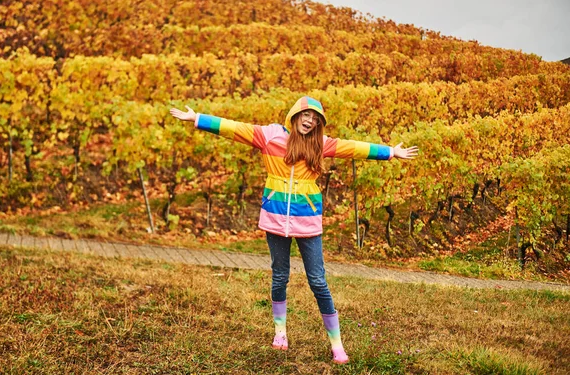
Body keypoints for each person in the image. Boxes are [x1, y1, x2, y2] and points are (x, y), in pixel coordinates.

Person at [170, 96, 418, 364]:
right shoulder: (271, 135)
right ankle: (280, 332)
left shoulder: (320, 145)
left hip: (307, 218)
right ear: (295, 115)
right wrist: (198, 119)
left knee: (318, 281)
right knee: (280, 276)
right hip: (276, 217)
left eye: (315, 119)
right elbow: (234, 128)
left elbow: (354, 148)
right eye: (306, 115)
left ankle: (337, 345)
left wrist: (390, 152)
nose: (310, 121)